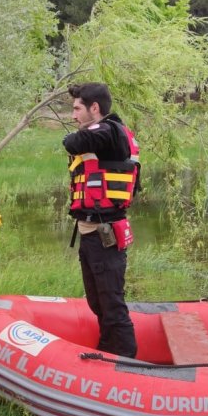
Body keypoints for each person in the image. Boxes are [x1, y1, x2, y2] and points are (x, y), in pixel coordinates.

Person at [64, 83, 140, 359]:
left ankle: (124, 358)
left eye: (77, 108)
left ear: (94, 108)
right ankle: (108, 350)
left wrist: (77, 134)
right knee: (99, 302)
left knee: (111, 304)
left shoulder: (108, 131)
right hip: (92, 232)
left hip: (104, 233)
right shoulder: (111, 136)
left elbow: (72, 142)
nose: (73, 116)